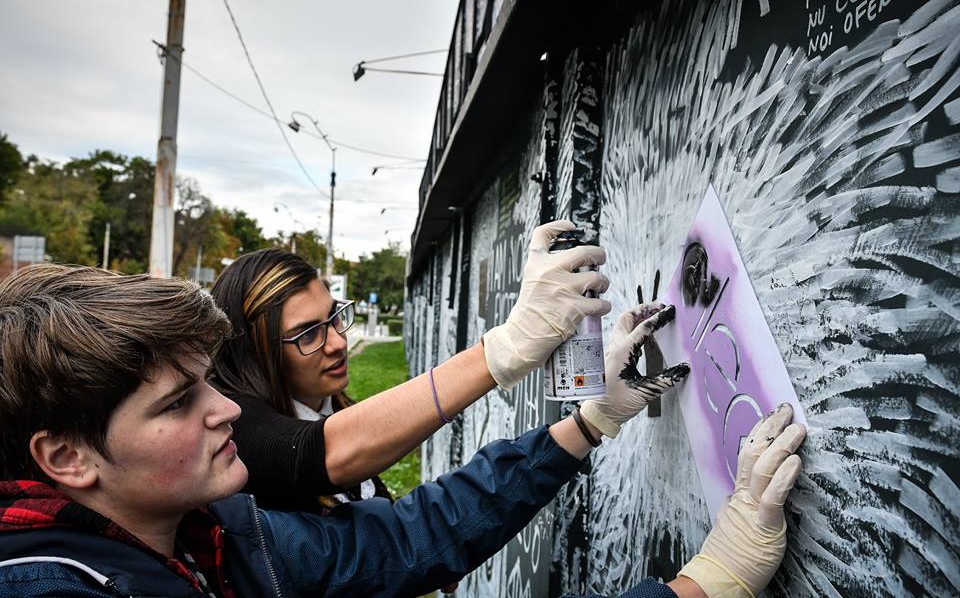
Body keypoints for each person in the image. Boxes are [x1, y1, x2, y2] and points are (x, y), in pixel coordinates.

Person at [0, 223, 806, 598]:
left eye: (208, 382)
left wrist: (592, 421)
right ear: (68, 459)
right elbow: (324, 460)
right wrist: (712, 581)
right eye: (180, 401)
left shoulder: (218, 538)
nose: (224, 413)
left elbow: (416, 535)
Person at [206, 221, 613, 514]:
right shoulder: (234, 431)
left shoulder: (332, 411)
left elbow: (399, 529)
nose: (338, 341)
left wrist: (588, 422)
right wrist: (506, 348)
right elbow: (320, 454)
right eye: (307, 333)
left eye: (334, 317)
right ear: (254, 352)